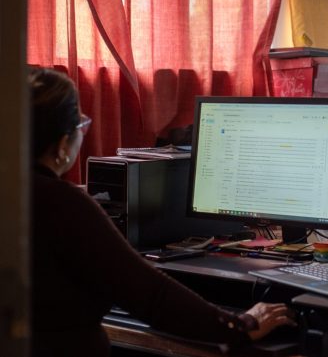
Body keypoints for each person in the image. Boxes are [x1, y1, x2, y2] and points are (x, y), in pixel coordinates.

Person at [29, 68, 296, 356]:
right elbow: (151, 296)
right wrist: (241, 325)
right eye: (81, 125)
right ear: (62, 145)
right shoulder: (62, 203)